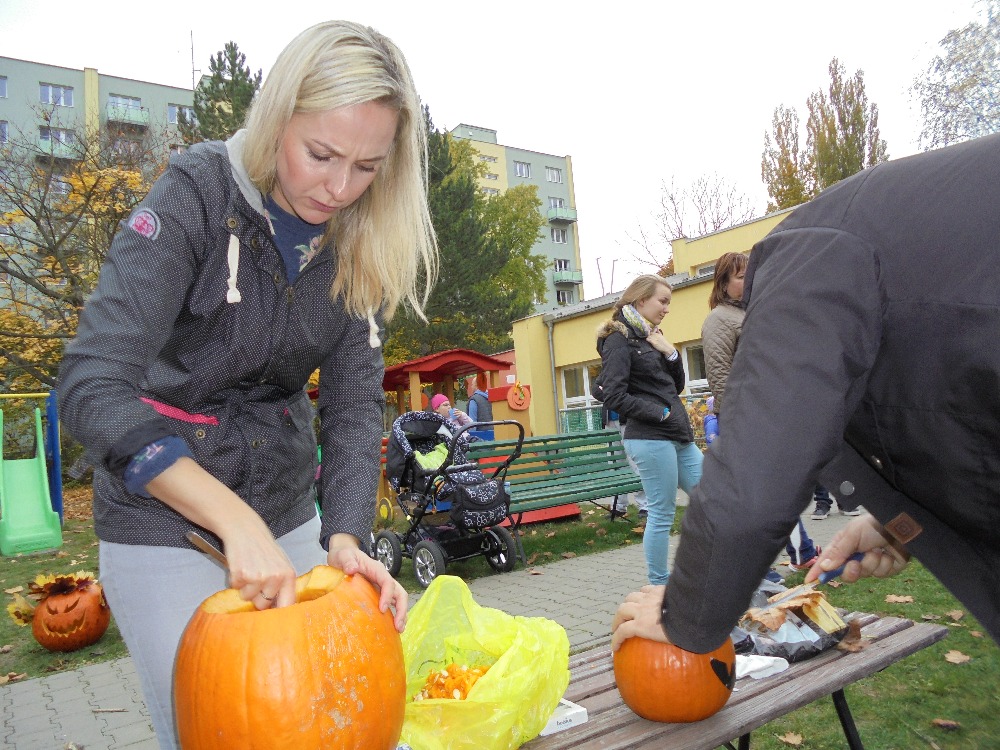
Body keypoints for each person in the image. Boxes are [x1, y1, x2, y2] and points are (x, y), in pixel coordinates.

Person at [57, 21, 436, 749]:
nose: (339, 187)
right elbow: (91, 384)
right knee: (215, 726)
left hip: (285, 510)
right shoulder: (195, 195)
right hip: (162, 518)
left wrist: (347, 535)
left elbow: (356, 408)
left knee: (337, 721)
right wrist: (231, 521)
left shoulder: (360, 237)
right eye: (320, 154)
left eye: (366, 167)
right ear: (276, 118)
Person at [612, 133, 1000, 655]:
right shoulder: (869, 244)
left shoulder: (800, 265)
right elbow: (953, 402)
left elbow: (758, 474)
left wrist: (683, 618)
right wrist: (899, 524)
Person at [701, 251, 820, 573]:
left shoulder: (750, 313)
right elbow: (720, 376)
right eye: (740, 276)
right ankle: (791, 557)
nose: (749, 281)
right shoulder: (719, 321)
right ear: (723, 284)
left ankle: (792, 554)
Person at [595, 274, 702, 586]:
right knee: (662, 514)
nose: (666, 308)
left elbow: (676, 386)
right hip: (650, 437)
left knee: (712, 499)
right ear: (641, 300)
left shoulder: (651, 337)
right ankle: (659, 586)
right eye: (662, 301)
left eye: (669, 302)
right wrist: (660, 413)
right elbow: (612, 394)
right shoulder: (618, 340)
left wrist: (670, 353)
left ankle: (708, 568)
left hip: (677, 435)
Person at [466, 372, 495, 439]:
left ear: (476, 385)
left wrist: (471, 438)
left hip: (480, 436)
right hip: (494, 433)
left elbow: (472, 422)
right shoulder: (492, 398)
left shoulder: (474, 400)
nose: (471, 387)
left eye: (472, 385)